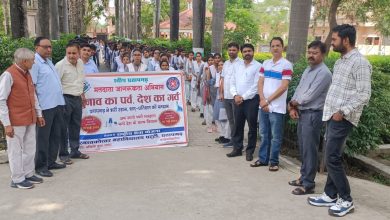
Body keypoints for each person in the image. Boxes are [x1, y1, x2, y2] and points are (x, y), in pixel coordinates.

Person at [307, 24, 372, 217]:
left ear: (346, 40)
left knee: (332, 158)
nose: (331, 42)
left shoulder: (359, 62)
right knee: (330, 155)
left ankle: (346, 199)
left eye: (334, 39)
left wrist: (342, 111)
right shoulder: (340, 62)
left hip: (343, 117)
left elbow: (364, 94)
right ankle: (330, 194)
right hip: (331, 115)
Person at [287, 41, 332, 195]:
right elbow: (299, 89)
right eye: (310, 52)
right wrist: (292, 106)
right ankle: (303, 176)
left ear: (323, 55)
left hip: (313, 114)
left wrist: (294, 104)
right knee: (303, 147)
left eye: (315, 53)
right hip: (302, 112)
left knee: (310, 150)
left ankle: (308, 184)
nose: (311, 55)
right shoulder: (308, 69)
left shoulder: (324, 73)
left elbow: (310, 95)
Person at [0, 48, 45, 189]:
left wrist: (39, 114)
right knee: (15, 150)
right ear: (24, 61)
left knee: (30, 148)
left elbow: (33, 95)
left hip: (30, 117)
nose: (34, 62)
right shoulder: (8, 75)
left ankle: (28, 173)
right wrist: (6, 124)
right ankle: (17, 179)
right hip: (15, 121)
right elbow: (1, 100)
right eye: (32, 60)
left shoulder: (27, 73)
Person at [254, 37, 293, 171]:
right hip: (263, 105)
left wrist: (268, 101)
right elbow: (260, 82)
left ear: (283, 47)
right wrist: (262, 99)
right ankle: (263, 159)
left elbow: (283, 87)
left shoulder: (286, 65)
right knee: (264, 134)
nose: (275, 48)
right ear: (270, 48)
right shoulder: (265, 63)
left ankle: (274, 161)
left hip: (277, 108)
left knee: (275, 137)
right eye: (273, 46)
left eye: (278, 46)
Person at [31, 37, 67, 177]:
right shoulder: (35, 63)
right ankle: (40, 166)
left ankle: (51, 161)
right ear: (36, 48)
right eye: (45, 47)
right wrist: (37, 109)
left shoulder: (48, 62)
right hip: (45, 106)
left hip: (57, 103)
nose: (49, 49)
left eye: (50, 47)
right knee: (43, 138)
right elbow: (32, 87)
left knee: (55, 135)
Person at [55, 42, 89, 165]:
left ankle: (74, 151)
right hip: (65, 99)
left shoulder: (80, 63)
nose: (71, 56)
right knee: (63, 128)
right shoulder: (60, 65)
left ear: (79, 52)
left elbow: (80, 81)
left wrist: (82, 95)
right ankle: (63, 154)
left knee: (75, 126)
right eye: (69, 53)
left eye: (74, 53)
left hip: (77, 98)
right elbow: (55, 85)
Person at [226, 44, 261, 161]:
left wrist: (243, 97)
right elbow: (232, 81)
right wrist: (235, 95)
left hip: (251, 101)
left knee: (252, 127)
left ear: (253, 52)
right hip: (237, 100)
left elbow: (256, 86)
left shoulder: (258, 66)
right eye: (245, 51)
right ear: (242, 53)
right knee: (238, 125)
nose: (247, 53)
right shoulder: (237, 66)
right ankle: (237, 149)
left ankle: (250, 151)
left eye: (249, 51)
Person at [220, 42, 242, 147]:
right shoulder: (226, 63)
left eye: (234, 50)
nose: (231, 52)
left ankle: (238, 142)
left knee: (237, 120)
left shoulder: (241, 64)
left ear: (238, 50)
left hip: (235, 96)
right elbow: (223, 79)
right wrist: (221, 93)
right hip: (226, 96)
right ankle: (233, 140)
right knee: (231, 119)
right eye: (230, 50)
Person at [213, 60, 231, 144]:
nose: (220, 66)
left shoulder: (227, 76)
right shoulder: (218, 75)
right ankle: (222, 134)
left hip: (224, 97)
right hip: (218, 97)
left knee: (224, 118)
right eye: (219, 65)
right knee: (218, 117)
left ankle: (227, 136)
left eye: (222, 65)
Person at [202, 55, 216, 132]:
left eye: (212, 60)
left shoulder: (216, 68)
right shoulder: (207, 69)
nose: (211, 61)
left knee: (215, 109)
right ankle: (209, 126)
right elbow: (205, 81)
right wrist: (208, 93)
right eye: (209, 60)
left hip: (216, 91)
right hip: (208, 89)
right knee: (208, 108)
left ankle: (215, 125)